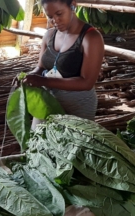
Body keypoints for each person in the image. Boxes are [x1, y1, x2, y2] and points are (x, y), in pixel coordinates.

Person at [22, 0, 105, 130]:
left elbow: (87, 82)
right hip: (48, 100)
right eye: (50, 16)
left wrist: (44, 81)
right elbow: (41, 67)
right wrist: (28, 77)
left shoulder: (91, 37)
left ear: (73, 4)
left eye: (59, 14)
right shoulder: (49, 35)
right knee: (38, 141)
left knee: (72, 146)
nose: (55, 20)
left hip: (78, 106)